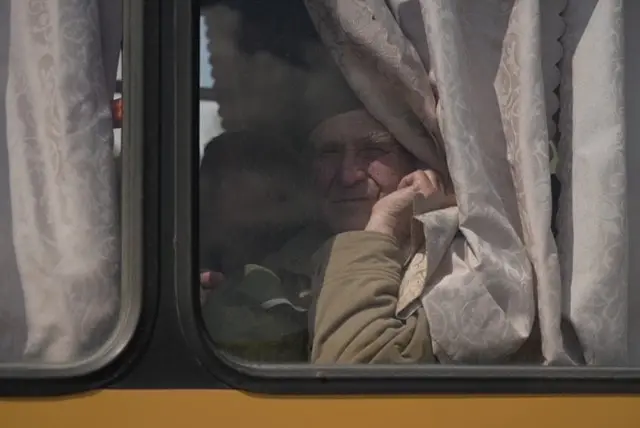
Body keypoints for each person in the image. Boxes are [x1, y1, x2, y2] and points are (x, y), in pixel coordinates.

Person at [307, 108, 455, 364]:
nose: (348, 175)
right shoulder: (273, 275)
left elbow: (358, 370)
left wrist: (384, 222)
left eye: (373, 151)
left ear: (416, 164)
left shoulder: (456, 267)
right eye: (329, 153)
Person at [199, 131, 328, 362]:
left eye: (237, 176)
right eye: (212, 176)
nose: (214, 189)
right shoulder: (186, 262)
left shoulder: (311, 271)